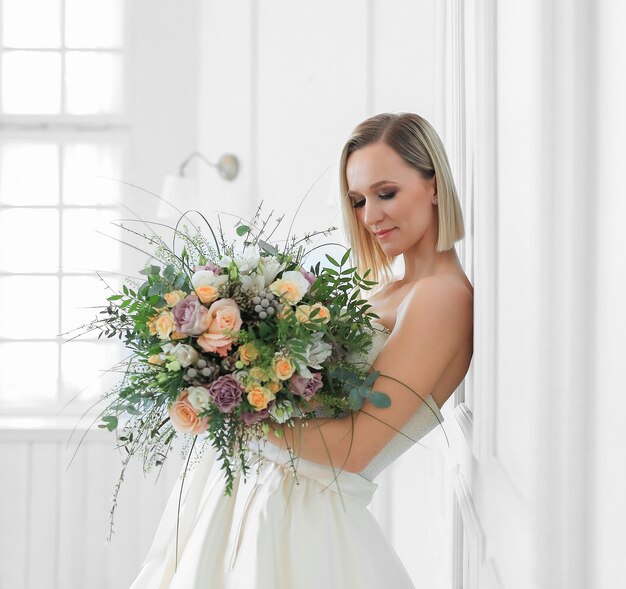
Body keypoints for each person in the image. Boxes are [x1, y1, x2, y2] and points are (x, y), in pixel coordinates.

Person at [129, 112, 473, 588]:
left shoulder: (441, 297)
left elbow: (352, 449)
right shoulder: (391, 290)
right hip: (266, 500)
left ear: (434, 184)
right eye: (357, 200)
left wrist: (235, 405)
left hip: (300, 520)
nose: (370, 216)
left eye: (386, 192)